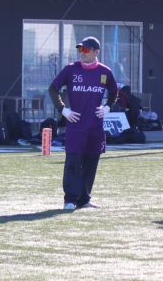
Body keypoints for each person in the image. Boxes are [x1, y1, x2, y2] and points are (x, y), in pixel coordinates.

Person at [48, 36, 118, 211]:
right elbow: (53, 89)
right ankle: (70, 200)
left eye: (86, 49)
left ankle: (84, 199)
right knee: (73, 162)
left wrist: (108, 107)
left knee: (91, 162)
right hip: (76, 126)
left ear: (96, 52)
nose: (82, 52)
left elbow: (114, 91)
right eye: (80, 49)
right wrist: (63, 110)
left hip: (95, 127)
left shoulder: (105, 72)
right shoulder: (71, 69)